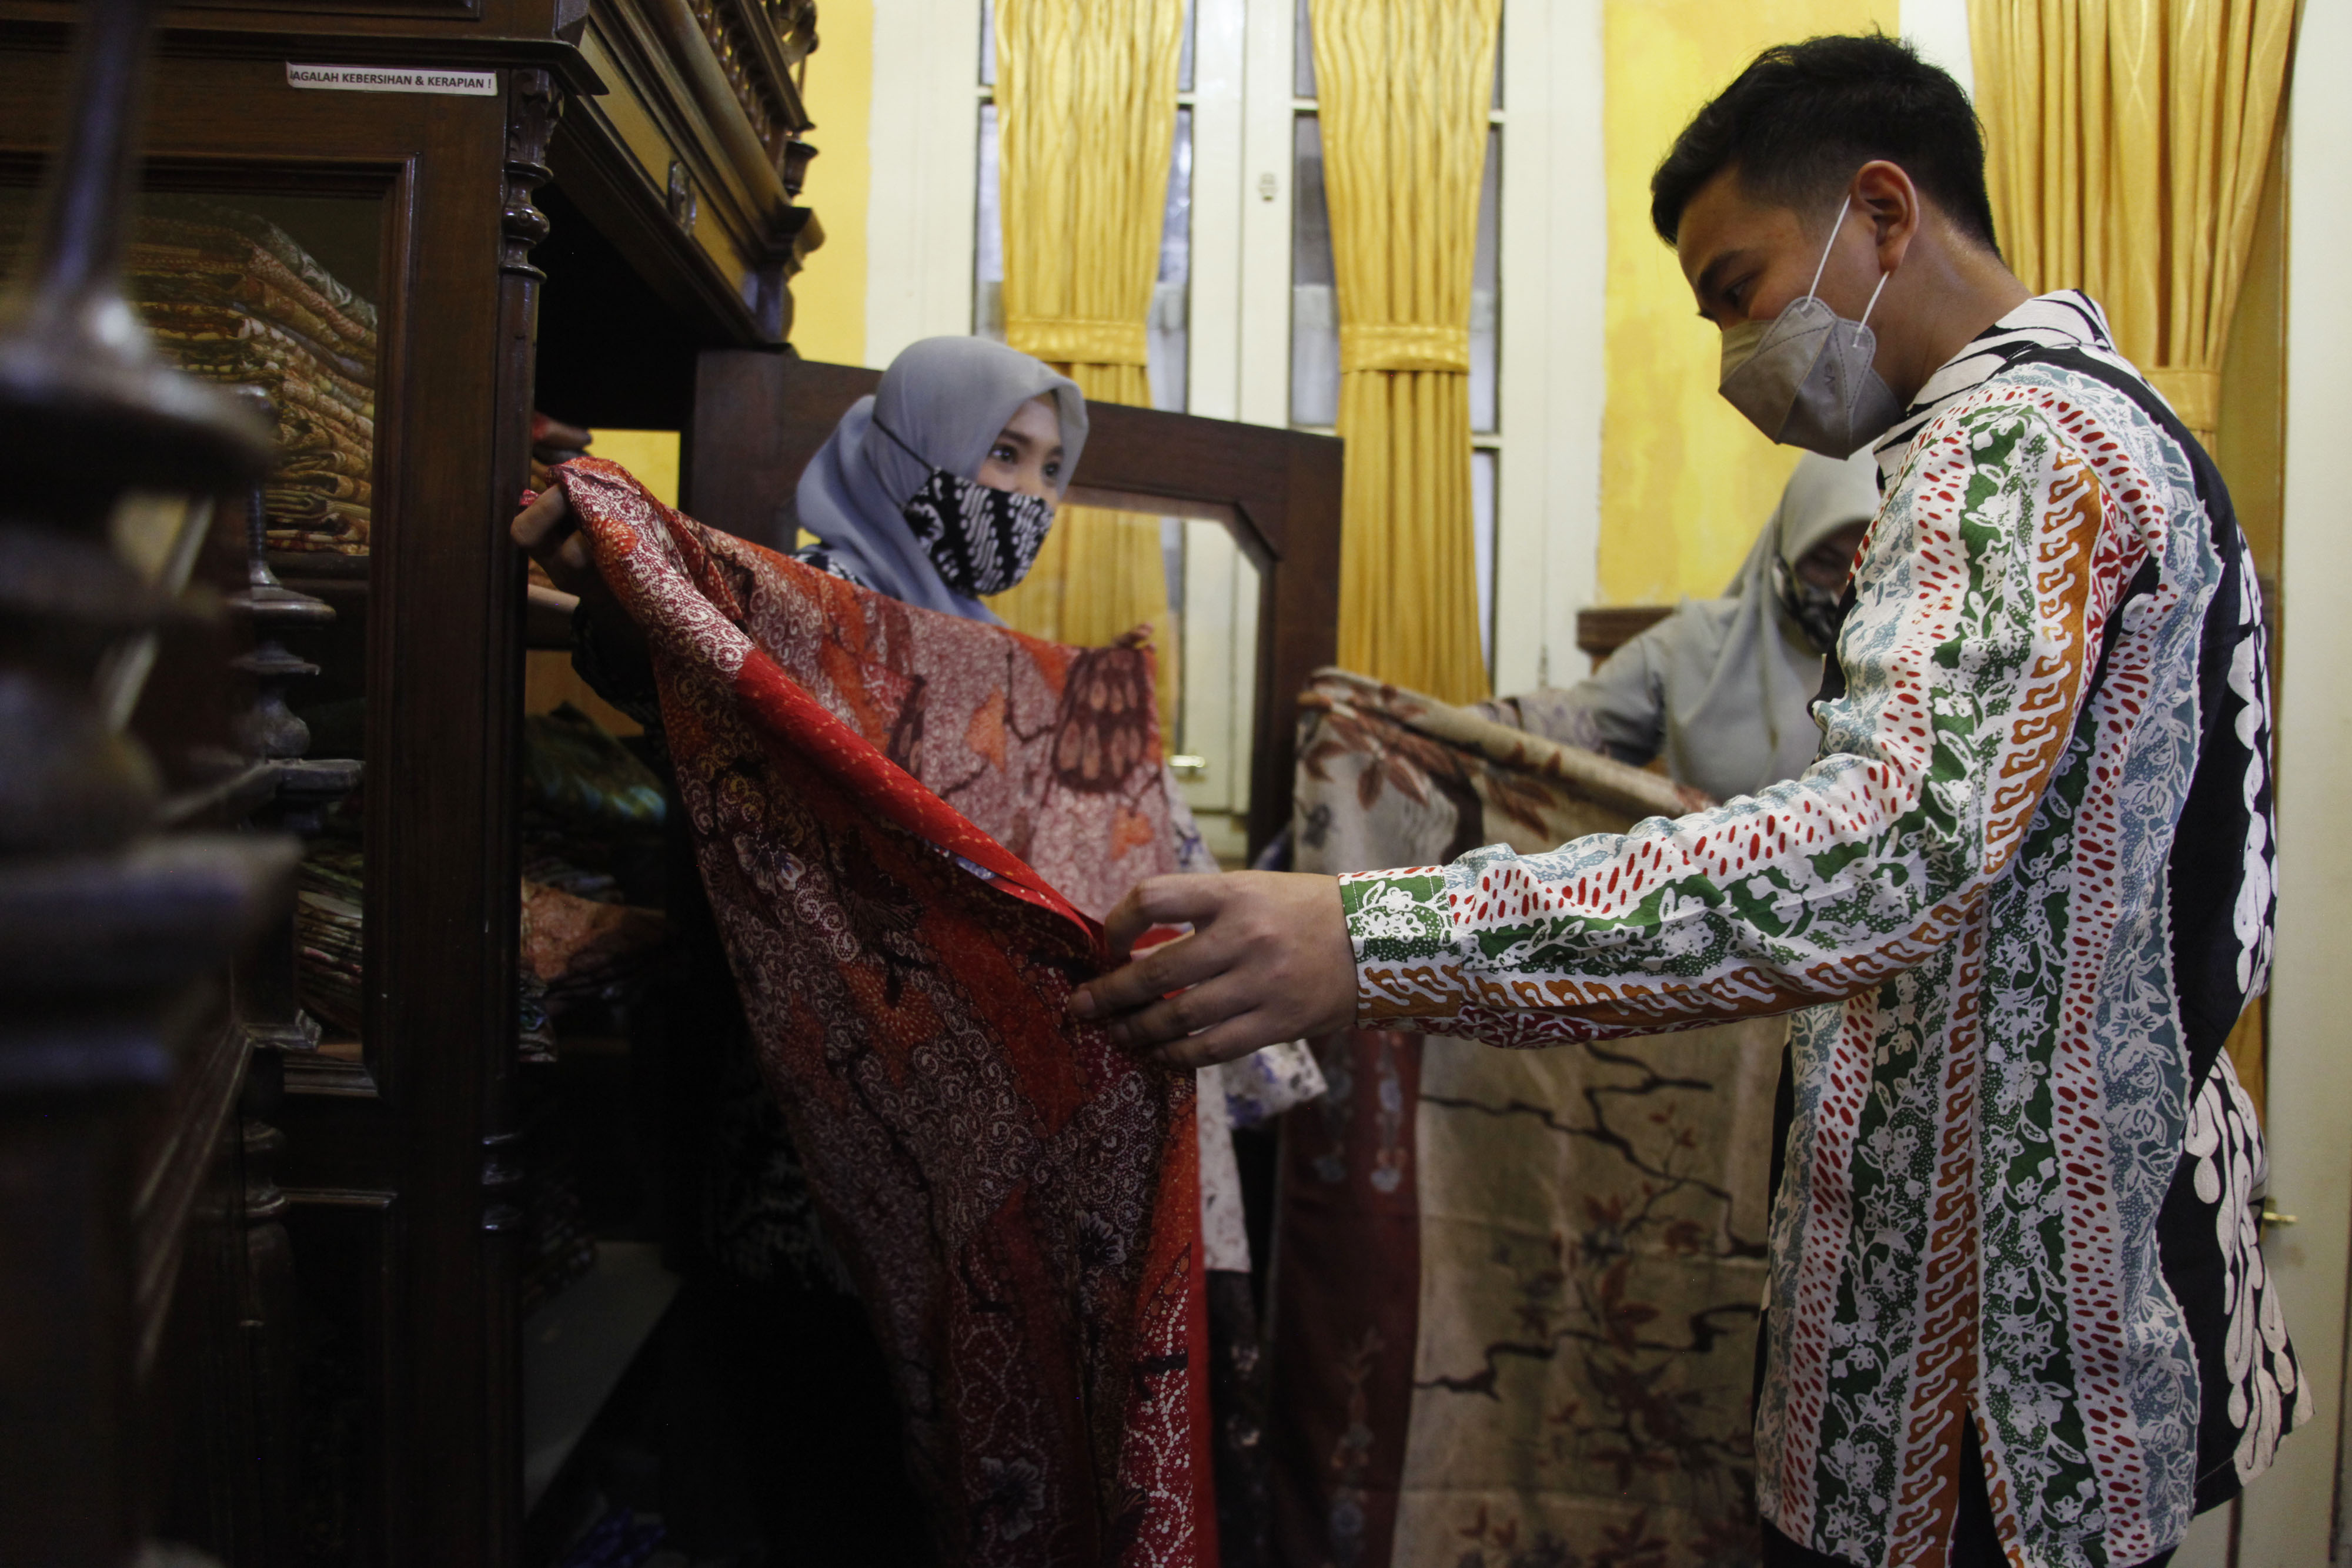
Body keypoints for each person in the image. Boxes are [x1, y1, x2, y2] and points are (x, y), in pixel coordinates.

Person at [1071, 35, 2292, 1568]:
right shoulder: (2101, 429)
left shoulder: (2019, 441)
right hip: (2028, 1320)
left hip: (1988, 1379)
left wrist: (1370, 939)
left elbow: (1885, 846)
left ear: (1881, 214)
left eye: (1739, 287)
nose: (1735, 360)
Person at [1559, 450, 1878, 802]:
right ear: (1785, 546)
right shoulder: (1693, 648)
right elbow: (1557, 733)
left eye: (1869, 567)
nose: (1843, 592)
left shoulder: (1911, 676)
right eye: (1825, 563)